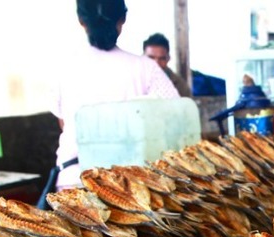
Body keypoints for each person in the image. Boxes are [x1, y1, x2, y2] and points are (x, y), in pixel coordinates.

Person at [49, 0, 180, 193]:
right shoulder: (146, 68)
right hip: (131, 185)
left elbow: (64, 123)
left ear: (81, 20)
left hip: (74, 182)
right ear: (122, 19)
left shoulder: (63, 69)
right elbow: (176, 119)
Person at [143, 33, 192, 97]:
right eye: (151, 58)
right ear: (142, 58)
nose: (156, 63)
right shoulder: (133, 80)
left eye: (162, 58)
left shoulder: (180, 85)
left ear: (168, 59)